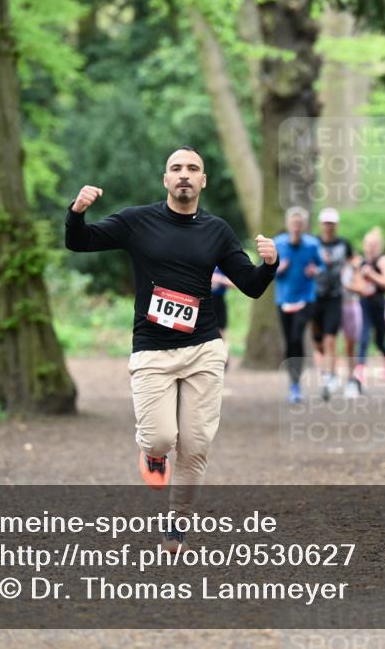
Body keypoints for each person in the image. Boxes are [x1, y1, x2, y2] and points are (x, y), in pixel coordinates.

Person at [65, 146, 277, 552]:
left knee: (196, 447)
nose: (184, 174)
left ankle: (176, 524)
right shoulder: (137, 221)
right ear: (165, 180)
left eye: (192, 169)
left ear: (203, 181)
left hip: (203, 349)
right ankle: (153, 454)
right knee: (162, 438)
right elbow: (80, 243)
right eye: (176, 168)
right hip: (152, 351)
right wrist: (77, 211)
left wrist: (269, 264)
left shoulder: (217, 230)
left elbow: (250, 285)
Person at [274, 206, 324, 404]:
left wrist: (315, 269)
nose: (296, 227)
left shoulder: (312, 244)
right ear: (288, 225)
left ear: (304, 226)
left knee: (297, 336)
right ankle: (293, 382)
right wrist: (278, 269)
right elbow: (267, 270)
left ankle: (296, 383)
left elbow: (321, 265)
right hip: (284, 299)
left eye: (299, 224)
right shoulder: (278, 243)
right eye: (293, 223)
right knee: (290, 341)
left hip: (306, 298)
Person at [311, 207, 353, 400]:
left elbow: (354, 262)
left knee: (330, 339)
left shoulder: (344, 244)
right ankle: (329, 372)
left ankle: (329, 376)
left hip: (335, 297)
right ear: (321, 224)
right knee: (317, 342)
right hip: (314, 297)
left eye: (332, 223)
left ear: (336, 225)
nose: (329, 227)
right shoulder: (312, 243)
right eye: (326, 223)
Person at [355, 227, 385, 389]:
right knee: (363, 336)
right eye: (367, 244)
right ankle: (360, 370)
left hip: (380, 304)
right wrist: (361, 287)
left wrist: (371, 275)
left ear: (379, 246)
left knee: (379, 340)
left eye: (373, 244)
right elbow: (357, 283)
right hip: (364, 302)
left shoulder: (384, 260)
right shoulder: (362, 262)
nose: (370, 247)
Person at [340, 247, 365, 399]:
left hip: (351, 306)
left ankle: (351, 379)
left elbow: (360, 287)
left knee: (350, 346)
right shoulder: (334, 267)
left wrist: (344, 285)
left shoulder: (354, 268)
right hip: (335, 306)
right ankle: (331, 377)